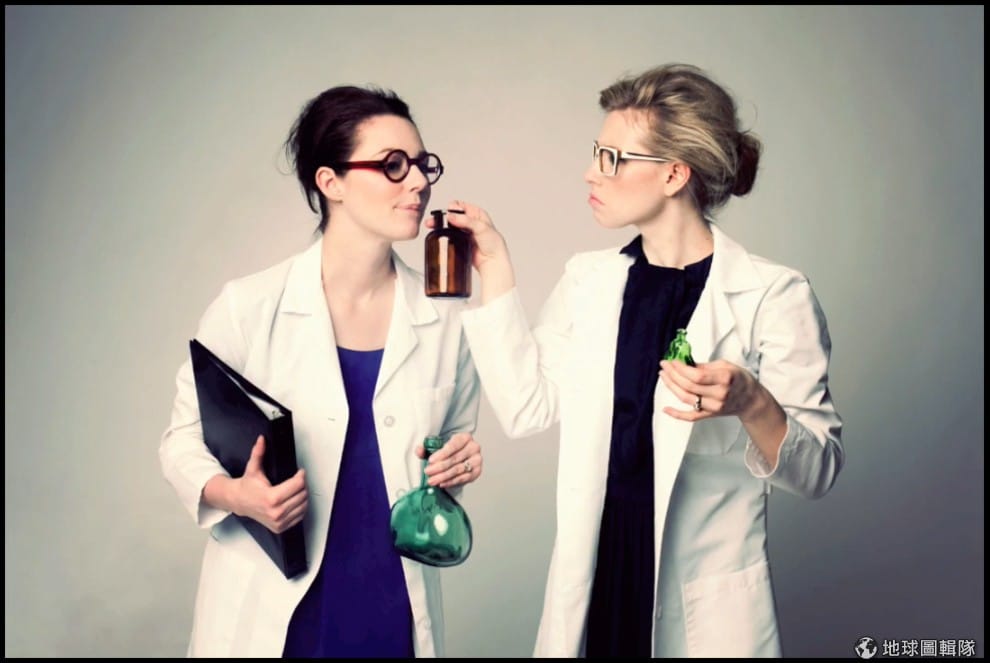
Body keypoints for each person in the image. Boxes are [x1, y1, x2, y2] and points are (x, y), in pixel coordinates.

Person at [442, 63, 844, 657]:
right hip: (598, 577)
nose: (591, 172)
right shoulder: (589, 281)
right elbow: (526, 407)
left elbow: (818, 471)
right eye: (596, 153)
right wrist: (495, 266)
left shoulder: (773, 295)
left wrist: (752, 401)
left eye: (612, 158)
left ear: (674, 174)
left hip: (699, 600)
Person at [159, 84, 484, 658]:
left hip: (389, 600)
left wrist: (457, 463)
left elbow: (450, 443)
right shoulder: (249, 306)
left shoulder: (445, 317)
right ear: (330, 182)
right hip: (276, 603)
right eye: (393, 165)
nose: (417, 182)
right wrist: (237, 495)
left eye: (422, 164)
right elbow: (181, 439)